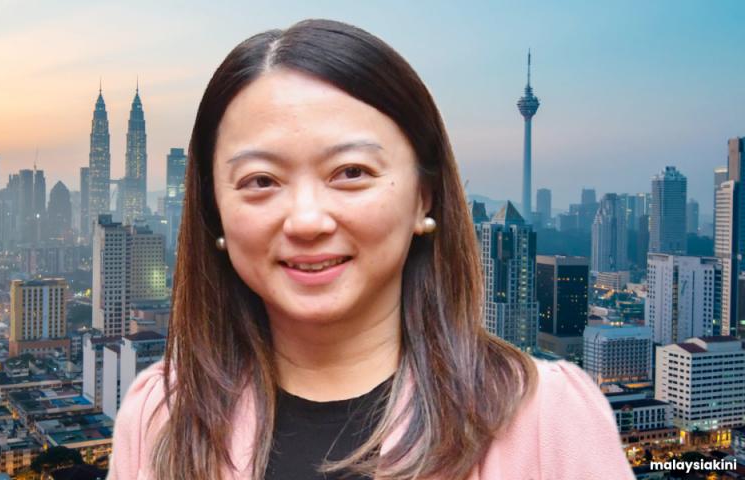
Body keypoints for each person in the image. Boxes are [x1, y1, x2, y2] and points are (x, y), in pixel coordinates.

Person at [108, 19, 634, 480]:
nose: (307, 220)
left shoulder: (544, 418)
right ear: (214, 210)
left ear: (424, 196)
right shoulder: (161, 415)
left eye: (351, 172)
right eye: (261, 180)